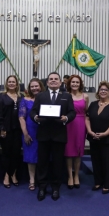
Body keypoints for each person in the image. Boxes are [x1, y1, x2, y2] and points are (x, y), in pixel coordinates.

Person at [30, 72, 76, 201]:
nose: (53, 81)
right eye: (51, 79)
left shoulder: (66, 96)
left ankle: (56, 188)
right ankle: (42, 187)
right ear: (47, 82)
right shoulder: (40, 96)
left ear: (61, 82)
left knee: (57, 163)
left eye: (56, 79)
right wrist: (36, 118)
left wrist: (66, 118)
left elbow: (72, 112)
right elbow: (33, 111)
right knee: (42, 162)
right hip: (43, 134)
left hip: (59, 135)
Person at [86, 81, 109, 194]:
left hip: (108, 139)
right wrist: (89, 131)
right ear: (98, 91)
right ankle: (98, 182)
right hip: (93, 137)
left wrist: (106, 133)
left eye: (105, 90)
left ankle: (107, 184)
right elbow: (87, 118)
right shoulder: (93, 104)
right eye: (101, 89)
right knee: (95, 161)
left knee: (108, 162)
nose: (103, 91)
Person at [0, 75, 23, 188]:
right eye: (9, 82)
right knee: (6, 153)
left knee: (16, 153)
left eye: (13, 82)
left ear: (17, 84)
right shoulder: (1, 97)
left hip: (18, 130)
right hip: (6, 130)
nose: (11, 83)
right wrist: (1, 128)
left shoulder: (22, 97)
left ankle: (14, 174)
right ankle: (6, 175)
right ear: (6, 84)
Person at [19, 78, 45, 191]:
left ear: (41, 87)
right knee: (31, 156)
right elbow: (21, 117)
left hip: (45, 130)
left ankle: (42, 179)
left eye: (36, 86)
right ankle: (32, 180)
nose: (34, 88)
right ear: (29, 88)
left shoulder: (46, 99)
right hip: (30, 130)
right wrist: (25, 133)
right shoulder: (25, 100)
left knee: (43, 155)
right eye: (32, 86)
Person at [64, 74, 88, 189]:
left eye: (77, 82)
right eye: (73, 82)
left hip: (80, 124)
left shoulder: (85, 96)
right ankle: (69, 176)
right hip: (68, 124)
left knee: (78, 151)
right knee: (68, 151)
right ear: (69, 83)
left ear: (80, 84)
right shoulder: (65, 96)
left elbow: (86, 112)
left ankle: (76, 175)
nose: (75, 84)